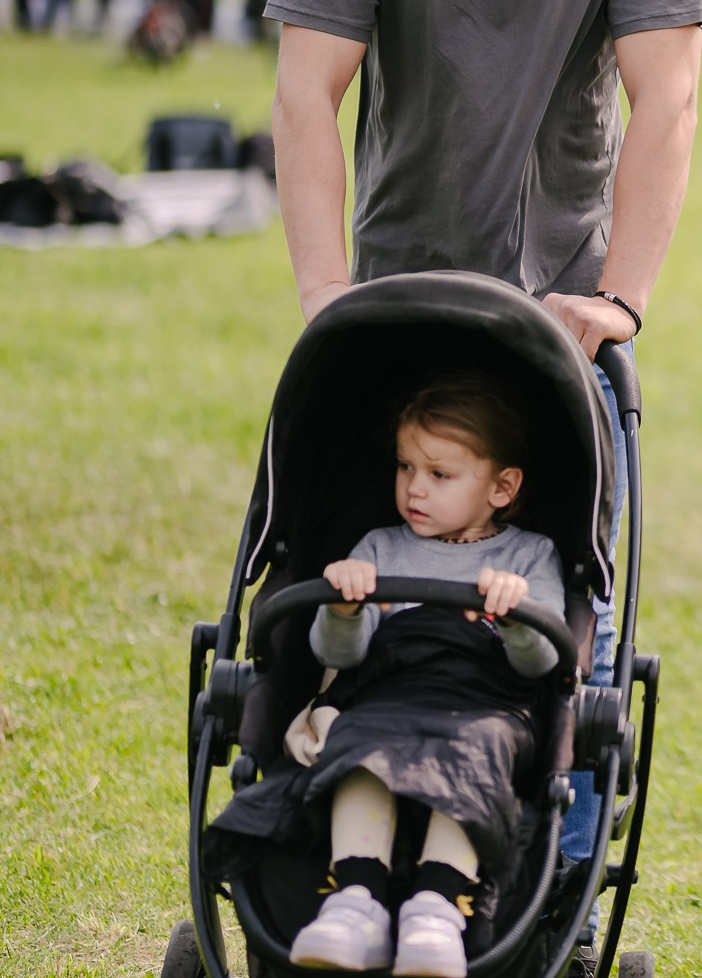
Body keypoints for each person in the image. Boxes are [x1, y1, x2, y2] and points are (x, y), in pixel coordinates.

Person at [263, 0, 702, 955]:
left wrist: (621, 297)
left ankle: (501, 880)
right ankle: (327, 863)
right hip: (394, 307)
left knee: (564, 606)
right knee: (341, 569)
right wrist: (324, 299)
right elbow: (304, 89)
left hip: (559, 319)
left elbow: (667, 95)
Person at [204, 377, 564, 977]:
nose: (414, 488)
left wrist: (519, 615)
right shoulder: (380, 547)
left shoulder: (528, 558)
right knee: (357, 742)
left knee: (474, 753)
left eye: (439, 475)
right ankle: (356, 900)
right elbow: (340, 659)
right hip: (386, 698)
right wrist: (342, 610)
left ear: (503, 486)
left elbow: (542, 664)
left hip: (482, 707)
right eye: (404, 468)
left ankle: (437, 907)